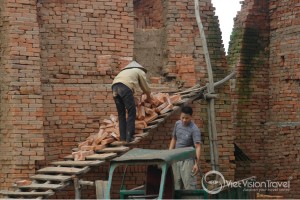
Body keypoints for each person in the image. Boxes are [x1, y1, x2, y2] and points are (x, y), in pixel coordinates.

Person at [112, 61, 152, 144]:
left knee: (121, 114)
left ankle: (123, 138)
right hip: (124, 88)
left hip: (114, 88)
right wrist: (148, 97)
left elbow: (128, 88)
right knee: (132, 111)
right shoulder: (139, 71)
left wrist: (133, 98)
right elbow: (145, 87)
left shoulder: (124, 72)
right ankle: (130, 136)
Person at [169, 106, 202, 190]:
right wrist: (169, 155)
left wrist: (196, 164)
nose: (184, 120)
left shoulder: (194, 129)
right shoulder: (177, 124)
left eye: (186, 118)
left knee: (189, 186)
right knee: (176, 186)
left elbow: (198, 147)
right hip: (176, 159)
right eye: (182, 117)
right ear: (180, 116)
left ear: (191, 117)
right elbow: (174, 139)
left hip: (188, 161)